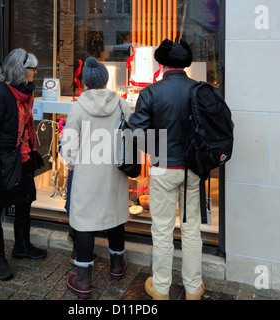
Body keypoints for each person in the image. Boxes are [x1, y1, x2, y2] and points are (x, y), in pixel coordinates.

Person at [128, 39, 205, 300]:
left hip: (163, 167)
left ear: (160, 63)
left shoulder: (151, 92)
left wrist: (156, 151)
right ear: (185, 64)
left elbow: (136, 132)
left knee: (162, 229)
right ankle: (194, 288)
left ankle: (161, 288)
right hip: (193, 168)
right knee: (191, 228)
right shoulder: (200, 90)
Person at [0, 48, 47, 281]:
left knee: (25, 201)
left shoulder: (25, 93)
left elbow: (26, 126)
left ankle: (21, 246)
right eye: (32, 69)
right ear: (21, 71)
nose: (35, 73)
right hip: (0, 163)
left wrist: (33, 152)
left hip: (21, 158)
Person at [61, 57, 131, 299]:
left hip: (87, 174)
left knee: (84, 224)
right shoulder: (121, 103)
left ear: (85, 82)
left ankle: (82, 281)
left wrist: (73, 165)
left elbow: (69, 146)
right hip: (114, 173)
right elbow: (134, 135)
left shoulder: (78, 107)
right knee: (114, 217)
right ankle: (116, 267)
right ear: (105, 79)